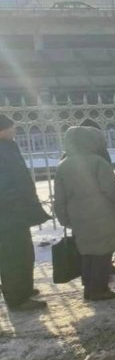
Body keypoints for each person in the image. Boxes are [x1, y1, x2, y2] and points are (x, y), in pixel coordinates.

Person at [54, 126, 115, 301]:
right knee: (102, 253)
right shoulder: (97, 162)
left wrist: (64, 217)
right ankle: (99, 289)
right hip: (103, 215)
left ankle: (89, 287)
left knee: (87, 253)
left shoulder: (63, 165)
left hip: (79, 217)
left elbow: (59, 196)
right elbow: (110, 188)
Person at [0, 114, 50, 311]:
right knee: (13, 256)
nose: (15, 130)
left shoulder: (7, 147)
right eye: (12, 127)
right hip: (7, 214)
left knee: (24, 253)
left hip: (14, 214)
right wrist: (16, 199)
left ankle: (23, 289)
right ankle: (17, 298)